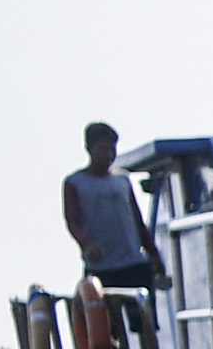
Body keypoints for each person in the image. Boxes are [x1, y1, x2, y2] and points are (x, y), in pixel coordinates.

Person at [60, 124, 157, 291]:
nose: (109, 155)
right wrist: (86, 244)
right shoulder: (75, 183)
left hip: (134, 262)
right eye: (103, 149)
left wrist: (154, 255)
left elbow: (137, 221)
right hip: (102, 267)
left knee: (141, 313)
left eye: (112, 150)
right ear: (89, 149)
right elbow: (73, 221)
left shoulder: (122, 180)